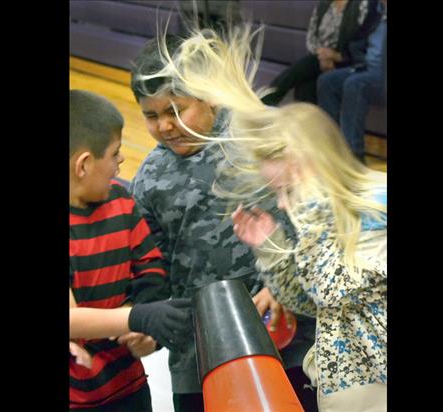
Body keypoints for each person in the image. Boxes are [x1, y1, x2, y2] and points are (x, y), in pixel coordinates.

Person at [143, 25, 387, 412]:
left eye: (289, 189)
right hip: (341, 386)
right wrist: (272, 249)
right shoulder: (314, 222)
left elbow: (340, 288)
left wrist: (303, 223)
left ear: (320, 164)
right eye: (278, 194)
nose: (286, 203)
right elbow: (307, 301)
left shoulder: (375, 205)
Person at [129, 35, 317, 412]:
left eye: (176, 110)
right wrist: (148, 321)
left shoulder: (261, 141)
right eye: (152, 116)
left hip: (289, 340)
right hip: (198, 357)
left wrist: (282, 287)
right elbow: (152, 268)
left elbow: (313, 222)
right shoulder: (149, 178)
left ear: (209, 96)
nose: (165, 126)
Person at [69, 90, 192, 411]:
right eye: (114, 154)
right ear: (83, 165)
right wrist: (137, 316)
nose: (121, 161)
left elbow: (150, 268)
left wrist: (145, 326)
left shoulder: (123, 205)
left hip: (128, 385)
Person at [261, 0, 379, 106]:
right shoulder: (323, 4)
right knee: (306, 83)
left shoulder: (362, 5)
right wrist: (322, 55)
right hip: (319, 58)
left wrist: (338, 57)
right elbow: (311, 37)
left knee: (306, 70)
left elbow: (362, 42)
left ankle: (266, 100)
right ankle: (307, 126)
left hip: (346, 61)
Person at [317, 0, 387, 162]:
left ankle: (353, 157)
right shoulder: (375, 10)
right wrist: (340, 57)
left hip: (382, 75)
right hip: (366, 67)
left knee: (355, 84)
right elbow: (358, 41)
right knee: (327, 81)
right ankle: (331, 147)